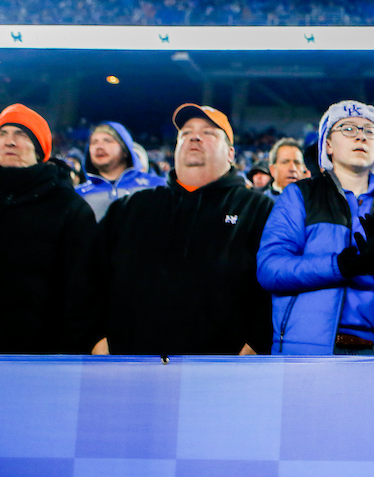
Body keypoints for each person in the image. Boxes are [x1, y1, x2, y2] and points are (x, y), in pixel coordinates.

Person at [84, 104, 274, 355]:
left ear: (230, 153)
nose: (194, 136)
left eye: (209, 132)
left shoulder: (259, 209)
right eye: (185, 133)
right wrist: (96, 341)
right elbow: (88, 278)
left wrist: (254, 345)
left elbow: (273, 288)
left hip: (220, 373)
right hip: (129, 368)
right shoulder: (132, 208)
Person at [256, 101, 374, 355]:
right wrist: (337, 266)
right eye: (348, 128)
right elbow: (269, 268)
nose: (361, 135)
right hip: (306, 353)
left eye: (369, 130)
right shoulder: (299, 196)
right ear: (327, 144)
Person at [0, 104, 97, 353]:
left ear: (40, 147)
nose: (9, 142)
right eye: (2, 133)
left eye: (21, 134)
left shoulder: (69, 208)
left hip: (38, 355)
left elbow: (81, 292)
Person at [75, 121, 166, 220]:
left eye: (107, 141)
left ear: (125, 151)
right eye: (94, 142)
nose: (99, 146)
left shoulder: (158, 186)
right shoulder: (77, 195)